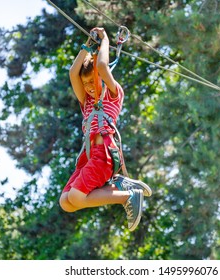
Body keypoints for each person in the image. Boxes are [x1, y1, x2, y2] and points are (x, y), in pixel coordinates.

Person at [59, 27, 152, 231]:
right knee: (66, 202)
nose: (90, 87)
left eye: (93, 82)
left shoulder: (112, 93)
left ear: (103, 77)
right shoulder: (86, 102)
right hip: (88, 157)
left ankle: (127, 195)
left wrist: (105, 40)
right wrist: (87, 45)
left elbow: (101, 65)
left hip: (105, 153)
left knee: (76, 195)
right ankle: (120, 187)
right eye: (86, 84)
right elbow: (72, 72)